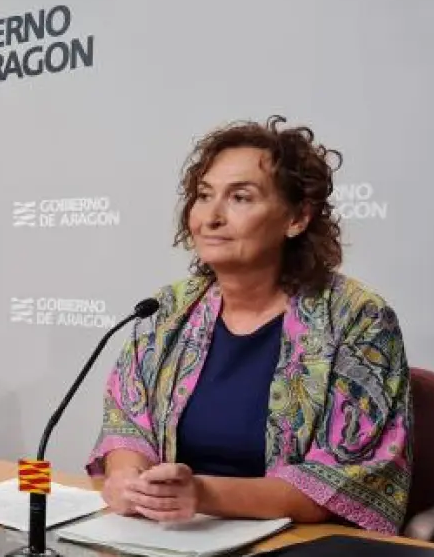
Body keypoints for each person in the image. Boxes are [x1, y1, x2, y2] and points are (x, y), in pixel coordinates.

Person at [87, 116, 413, 535]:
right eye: (204, 195)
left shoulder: (358, 317)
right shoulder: (167, 310)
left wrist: (203, 494)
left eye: (240, 197)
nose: (210, 217)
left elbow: (345, 479)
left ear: (297, 217)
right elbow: (128, 424)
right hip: (170, 538)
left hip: (298, 550)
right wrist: (129, 479)